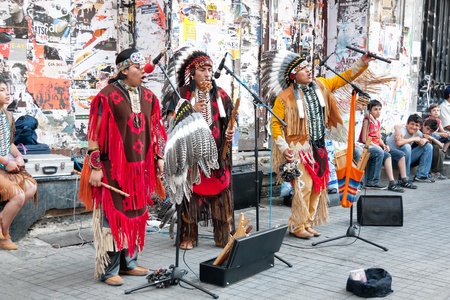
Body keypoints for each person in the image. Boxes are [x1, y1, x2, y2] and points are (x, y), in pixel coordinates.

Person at [260, 50, 374, 239]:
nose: (308, 71)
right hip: (299, 148)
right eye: (302, 69)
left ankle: (307, 222)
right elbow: (275, 124)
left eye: (307, 67)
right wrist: (284, 148)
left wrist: (362, 63)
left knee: (318, 186)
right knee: (304, 186)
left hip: (318, 145)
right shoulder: (284, 97)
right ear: (293, 76)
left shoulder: (321, 85)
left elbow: (343, 78)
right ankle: (297, 225)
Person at [80, 49, 167, 286]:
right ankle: (109, 270)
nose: (143, 70)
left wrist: (159, 157)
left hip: (140, 170)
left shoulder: (149, 97)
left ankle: (129, 263)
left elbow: (156, 130)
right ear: (124, 69)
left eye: (143, 66)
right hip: (113, 168)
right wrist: (96, 167)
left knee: (136, 213)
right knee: (114, 216)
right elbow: (94, 134)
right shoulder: (107, 96)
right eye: (137, 67)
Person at [164, 48, 236, 250]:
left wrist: (230, 132)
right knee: (191, 195)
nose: (207, 73)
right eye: (202, 69)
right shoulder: (181, 94)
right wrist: (188, 109)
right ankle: (188, 235)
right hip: (191, 157)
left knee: (221, 192)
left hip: (217, 156)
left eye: (210, 69)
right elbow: (169, 122)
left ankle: (223, 234)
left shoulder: (220, 94)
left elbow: (229, 121)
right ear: (192, 73)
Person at [0, 74, 37, 250]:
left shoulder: (7, 115)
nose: (7, 93)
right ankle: (4, 234)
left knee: (31, 187)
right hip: (2, 165)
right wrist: (6, 162)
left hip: (6, 164)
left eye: (7, 90)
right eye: (1, 90)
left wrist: (18, 156)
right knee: (18, 195)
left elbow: (10, 144)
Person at [359, 100, 416, 192]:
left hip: (378, 146)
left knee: (401, 155)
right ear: (369, 111)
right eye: (375, 109)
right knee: (387, 155)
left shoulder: (377, 122)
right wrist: (377, 147)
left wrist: (384, 145)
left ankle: (402, 180)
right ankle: (382, 182)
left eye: (380, 109)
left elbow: (378, 137)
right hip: (369, 146)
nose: (378, 112)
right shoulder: (367, 121)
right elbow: (365, 139)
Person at [386, 113, 434, 183]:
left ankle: (421, 176)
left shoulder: (417, 133)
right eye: (412, 124)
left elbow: (427, 139)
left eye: (417, 125)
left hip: (405, 159)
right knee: (407, 146)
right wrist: (414, 139)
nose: (414, 127)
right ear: (407, 124)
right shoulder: (402, 130)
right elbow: (399, 142)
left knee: (428, 146)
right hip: (393, 160)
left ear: (420, 127)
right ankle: (404, 178)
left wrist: (425, 140)